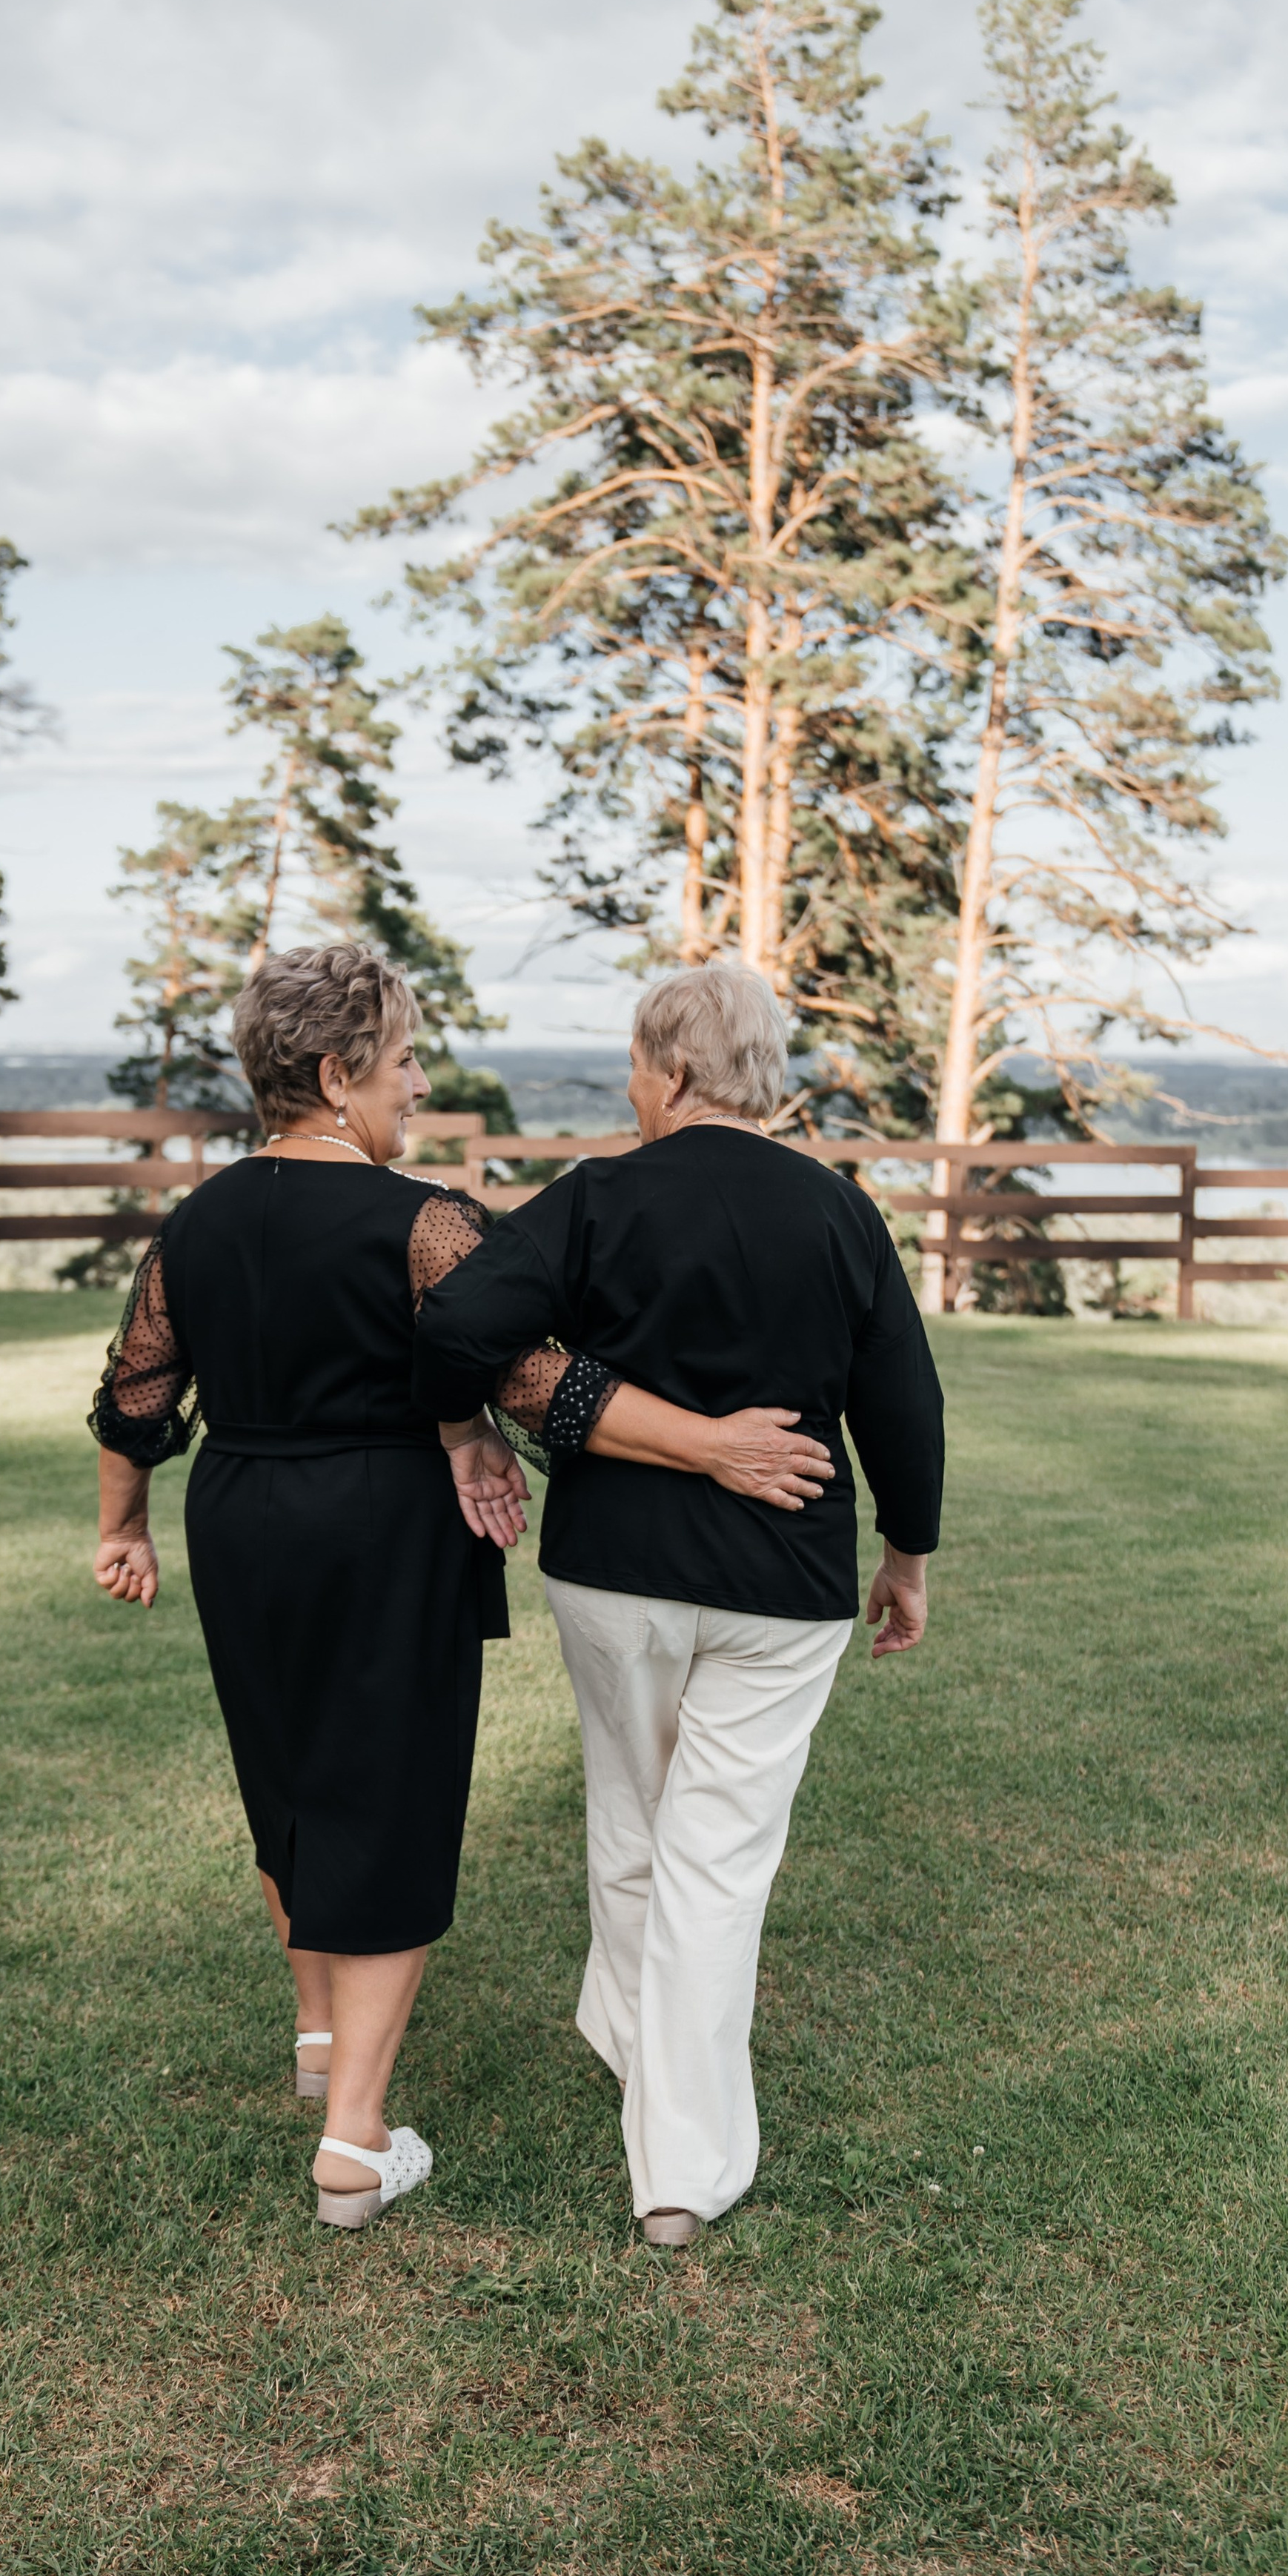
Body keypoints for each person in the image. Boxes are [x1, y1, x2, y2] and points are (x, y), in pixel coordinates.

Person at [87, 943, 840, 2231]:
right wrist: (707, 1444)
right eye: (403, 1061)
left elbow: (139, 1391)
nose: (420, 1085)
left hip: (243, 1517)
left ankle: (319, 2031)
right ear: (337, 1076)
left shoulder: (197, 1220)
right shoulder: (424, 1220)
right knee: (391, 1796)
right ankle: (355, 2136)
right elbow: (533, 1374)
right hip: (383, 1527)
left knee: (287, 1774)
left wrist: (124, 1529)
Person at [414, 963, 945, 2248]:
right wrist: (907, 1557)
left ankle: (636, 2048)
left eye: (634, 1072)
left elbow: (451, 1326)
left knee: (633, 1819)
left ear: (671, 1071)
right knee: (719, 1860)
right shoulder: (840, 1210)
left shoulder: (598, 1197)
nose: (631, 1094)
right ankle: (679, 2175)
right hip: (787, 1584)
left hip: (614, 1573)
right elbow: (905, 1401)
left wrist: (465, 1435)